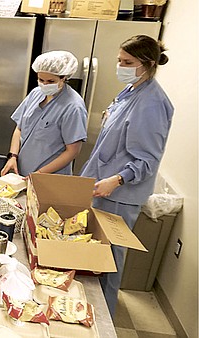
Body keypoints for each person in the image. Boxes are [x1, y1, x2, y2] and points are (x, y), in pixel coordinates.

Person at [80, 35, 173, 316]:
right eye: (119, 61)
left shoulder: (152, 104)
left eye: (127, 62)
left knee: (109, 261)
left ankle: (104, 321)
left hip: (119, 194)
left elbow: (147, 159)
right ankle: (90, 310)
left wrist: (117, 179)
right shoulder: (131, 92)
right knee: (96, 254)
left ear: (148, 64)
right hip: (102, 184)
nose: (120, 66)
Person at [1, 51, 87, 177]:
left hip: (50, 177)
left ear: (64, 78)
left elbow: (72, 151)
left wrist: (40, 174)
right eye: (41, 80)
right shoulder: (36, 93)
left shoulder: (73, 107)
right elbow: (19, 128)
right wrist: (12, 156)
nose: (45, 84)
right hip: (22, 170)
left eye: (51, 81)